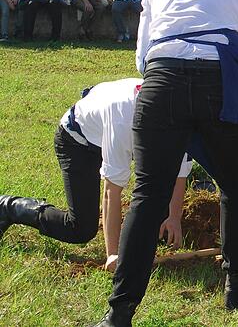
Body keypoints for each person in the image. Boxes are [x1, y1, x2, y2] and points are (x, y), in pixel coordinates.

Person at [91, 0, 238, 327]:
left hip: (162, 81)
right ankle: (236, 287)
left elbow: (143, 57)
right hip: (218, 80)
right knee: (234, 186)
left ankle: (119, 312)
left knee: (148, 194)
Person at [0, 78, 193, 273]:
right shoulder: (123, 121)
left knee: (159, 215)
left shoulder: (181, 117)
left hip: (113, 120)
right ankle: (9, 208)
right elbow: (111, 192)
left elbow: (179, 170)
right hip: (77, 142)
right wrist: (114, 255)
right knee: (80, 228)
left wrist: (174, 217)